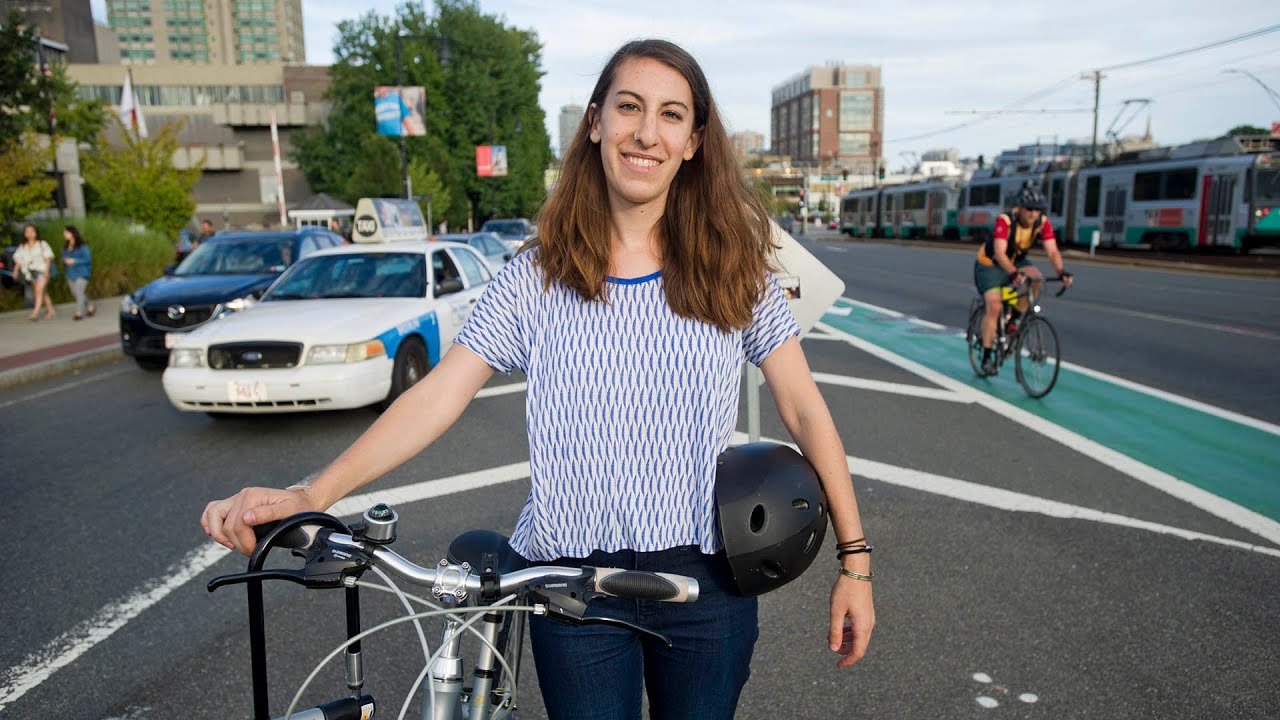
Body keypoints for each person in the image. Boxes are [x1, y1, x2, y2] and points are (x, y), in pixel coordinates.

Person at [201, 39, 874, 719]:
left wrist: (856, 562)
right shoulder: (537, 276)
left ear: (695, 141)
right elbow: (440, 394)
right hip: (566, 586)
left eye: (672, 115)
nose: (646, 132)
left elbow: (804, 408)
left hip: (707, 581)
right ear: (594, 123)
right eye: (629, 107)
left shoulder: (733, 269)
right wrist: (310, 493)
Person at [972, 184, 1073, 376]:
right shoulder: (1006, 221)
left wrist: (1061, 272)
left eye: (1038, 209)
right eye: (1030, 209)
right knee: (994, 306)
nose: (1034, 213)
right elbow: (1000, 253)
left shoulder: (1042, 223)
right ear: (1019, 207)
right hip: (990, 263)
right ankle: (986, 356)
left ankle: (1016, 320)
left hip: (1016, 259)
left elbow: (1052, 250)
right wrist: (1013, 274)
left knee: (1037, 279)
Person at [12, 224, 56, 321]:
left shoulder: (42, 244)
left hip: (42, 271)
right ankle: (51, 310)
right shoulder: (23, 247)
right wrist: (15, 270)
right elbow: (18, 260)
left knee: (38, 291)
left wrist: (47, 271)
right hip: (30, 273)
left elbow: (48, 258)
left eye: (32, 231)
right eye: (27, 232)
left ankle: (35, 313)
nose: (30, 234)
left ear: (36, 232)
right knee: (43, 293)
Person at [61, 225, 97, 320]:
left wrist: (75, 261)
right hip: (70, 273)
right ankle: (90, 306)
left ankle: (78, 313)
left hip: (82, 272)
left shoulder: (82, 246)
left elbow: (87, 259)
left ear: (72, 233)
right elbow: (63, 256)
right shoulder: (66, 247)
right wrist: (66, 260)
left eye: (66, 232)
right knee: (75, 293)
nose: (64, 234)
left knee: (79, 291)